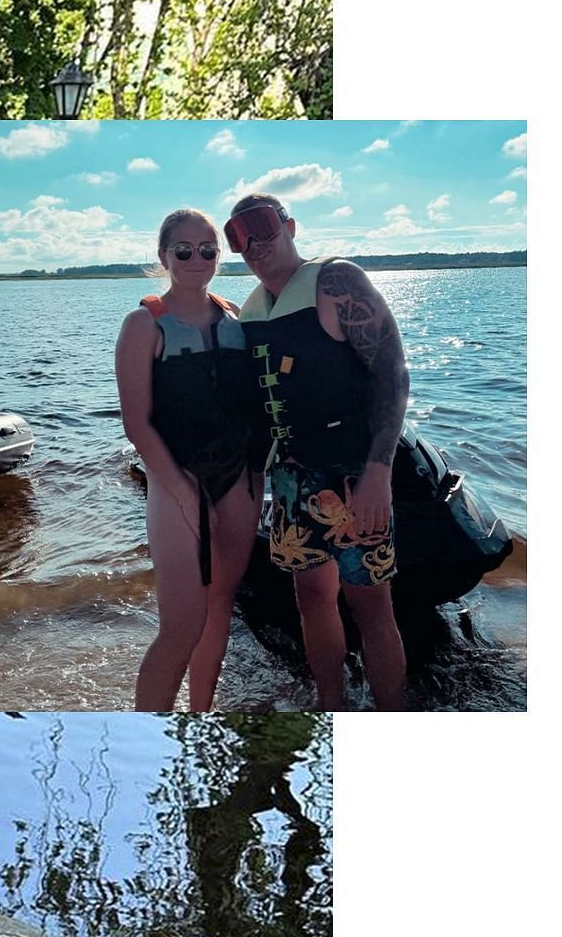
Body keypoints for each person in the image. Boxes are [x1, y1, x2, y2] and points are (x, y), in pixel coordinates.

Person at [228, 192, 407, 710]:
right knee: (311, 600)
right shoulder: (253, 309)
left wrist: (378, 471)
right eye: (238, 237)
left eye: (262, 227)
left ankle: (392, 713)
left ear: (290, 226)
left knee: (371, 604)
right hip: (291, 477)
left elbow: (391, 373)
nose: (253, 244)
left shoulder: (336, 281)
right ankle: (331, 705)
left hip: (354, 472)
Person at [116, 209, 260, 711]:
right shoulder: (143, 325)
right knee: (181, 628)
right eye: (184, 251)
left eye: (208, 250)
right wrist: (180, 489)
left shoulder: (238, 318)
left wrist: (254, 481)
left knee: (220, 609)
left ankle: (200, 715)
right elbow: (138, 425)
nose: (197, 259)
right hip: (177, 488)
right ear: (164, 257)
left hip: (237, 483)